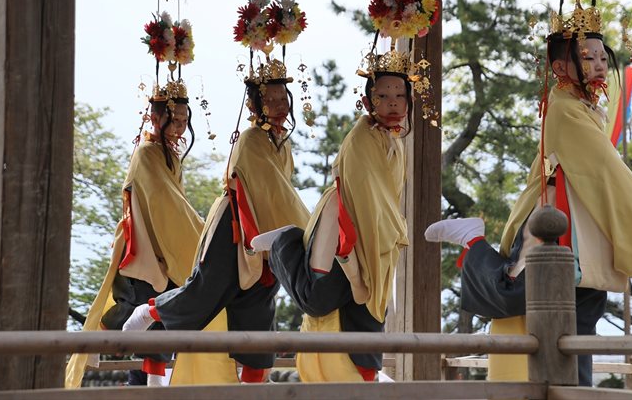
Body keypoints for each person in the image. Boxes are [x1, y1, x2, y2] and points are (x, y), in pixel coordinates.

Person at [425, 0, 632, 387]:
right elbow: (608, 174)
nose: (599, 64)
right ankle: (473, 242)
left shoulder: (583, 106)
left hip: (582, 228)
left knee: (581, 321)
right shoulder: (564, 105)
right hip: (557, 220)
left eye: (602, 56)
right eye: (587, 57)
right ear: (562, 66)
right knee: (518, 293)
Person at [122, 59, 311, 383]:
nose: (280, 106)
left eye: (283, 99)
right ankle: (150, 311)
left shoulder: (280, 143)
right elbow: (278, 194)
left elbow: (281, 193)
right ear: (254, 104)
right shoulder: (251, 139)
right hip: (235, 224)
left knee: (260, 313)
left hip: (265, 235)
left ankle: (252, 386)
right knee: (205, 290)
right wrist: (308, 230)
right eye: (272, 99)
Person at [250, 51, 414, 383]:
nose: (393, 103)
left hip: (371, 239)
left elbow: (384, 205)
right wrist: (356, 274)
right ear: (368, 101)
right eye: (383, 96)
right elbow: (361, 203)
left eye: (399, 95)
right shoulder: (360, 140)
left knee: (365, 326)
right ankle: (285, 240)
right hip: (344, 232)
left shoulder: (394, 144)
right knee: (319, 299)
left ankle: (291, 239)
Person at [66, 78, 237, 387]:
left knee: (162, 331)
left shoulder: (169, 156)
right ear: (156, 118)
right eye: (174, 120)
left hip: (164, 248)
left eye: (185, 121)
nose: (179, 128)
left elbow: (174, 208)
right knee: (153, 329)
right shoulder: (147, 153)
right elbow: (166, 207)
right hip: (147, 250)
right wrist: (204, 239)